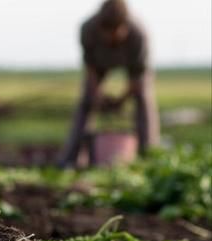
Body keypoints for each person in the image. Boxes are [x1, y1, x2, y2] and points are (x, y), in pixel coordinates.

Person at [58, 0, 160, 168]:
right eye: (106, 32)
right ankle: (70, 157)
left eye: (116, 32)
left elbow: (138, 77)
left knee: (143, 99)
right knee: (86, 100)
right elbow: (90, 67)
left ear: (125, 25)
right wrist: (97, 93)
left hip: (133, 65)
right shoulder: (87, 29)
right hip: (99, 63)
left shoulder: (139, 34)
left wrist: (121, 99)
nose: (111, 37)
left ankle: (148, 154)